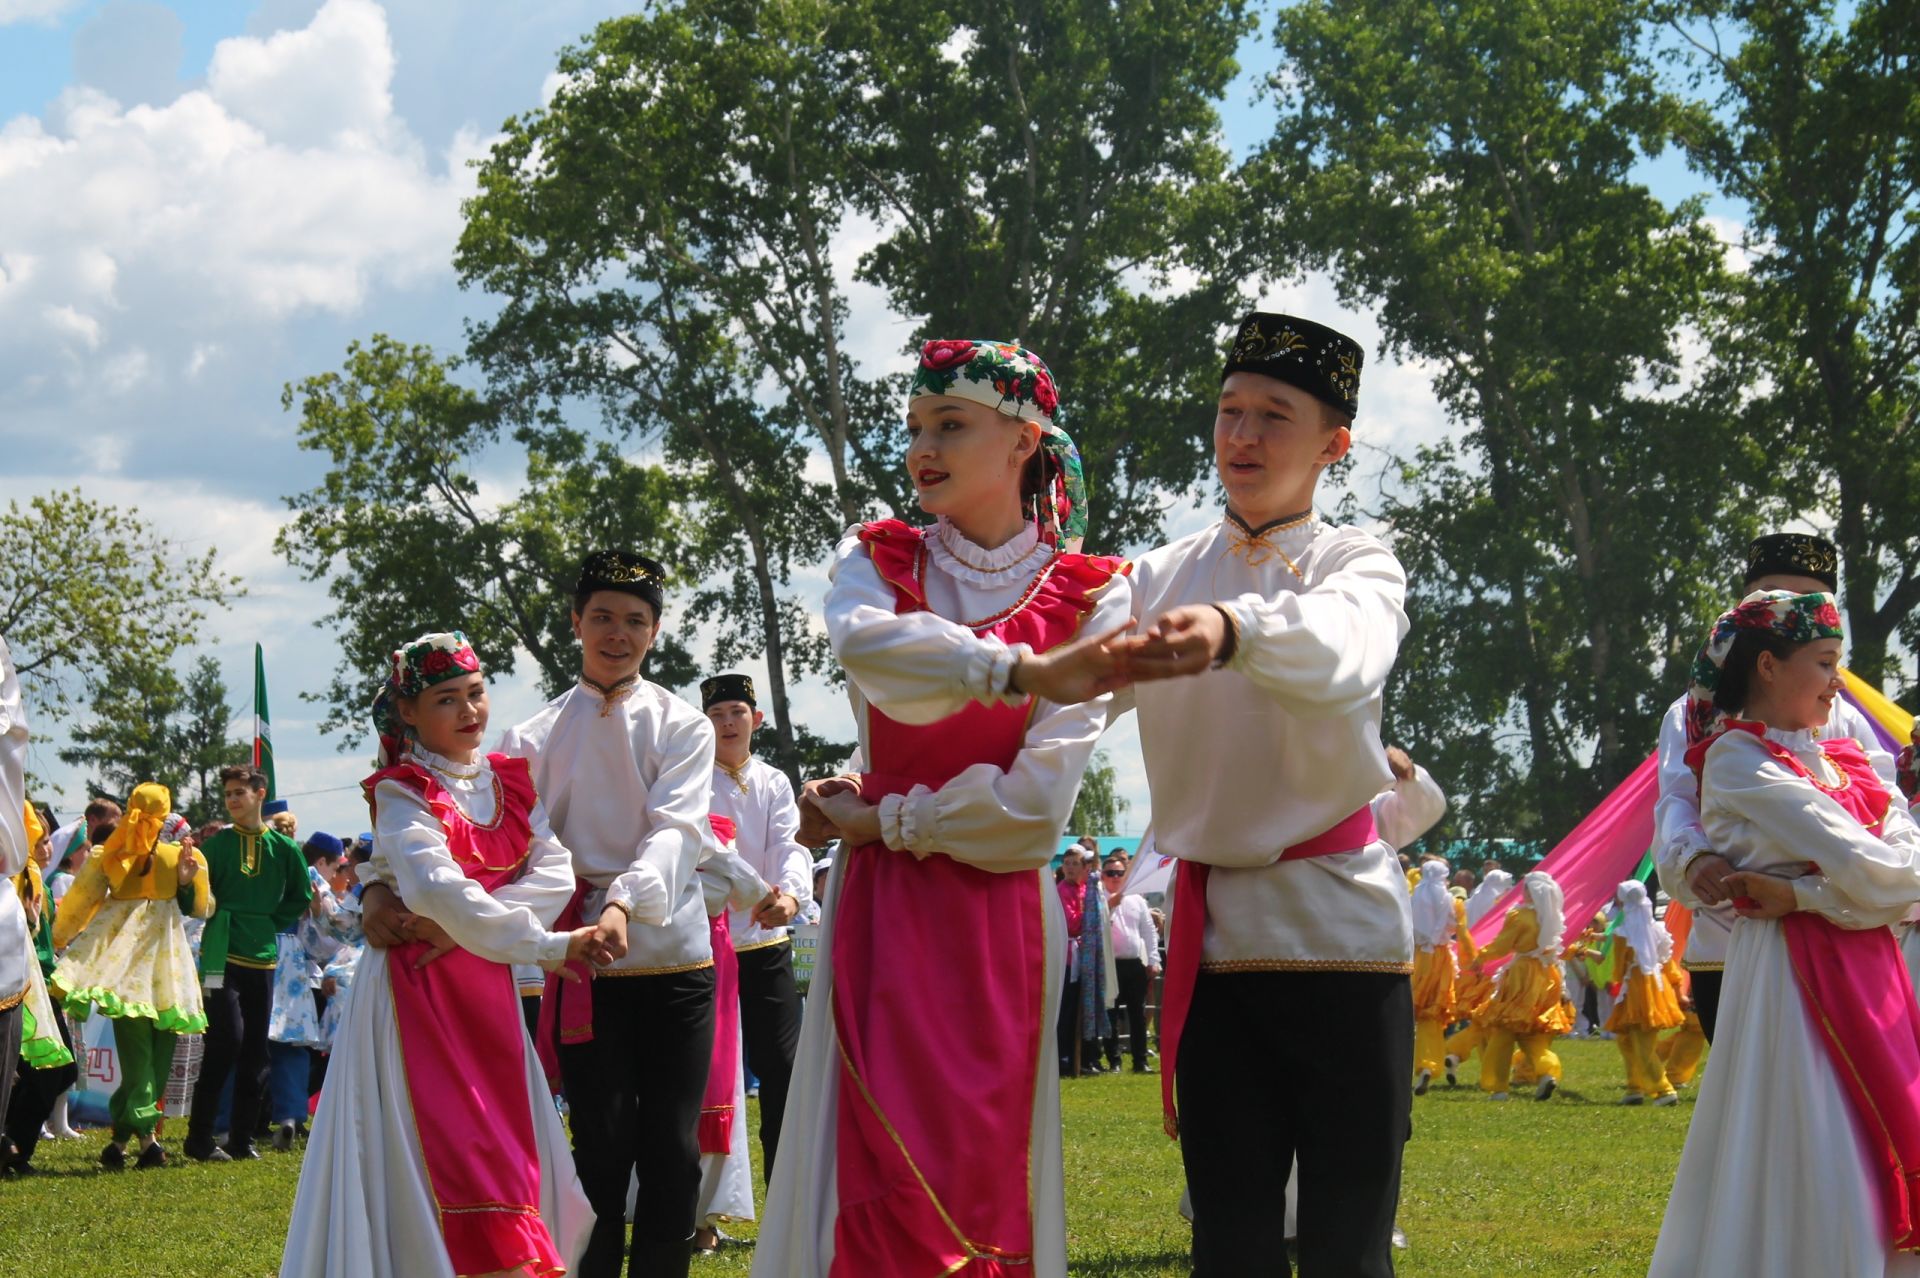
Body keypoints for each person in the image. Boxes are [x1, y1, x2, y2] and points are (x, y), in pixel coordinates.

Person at [756, 337, 1132, 1278]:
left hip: (998, 914)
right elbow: (879, 663)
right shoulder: (877, 561)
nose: (923, 447)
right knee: (876, 1171)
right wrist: (1016, 669)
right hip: (884, 910)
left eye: (951, 425)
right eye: (916, 426)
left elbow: (1036, 811)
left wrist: (883, 819)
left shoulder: (1096, 594)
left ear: (1022, 440)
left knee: (980, 1169)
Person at [281, 630, 597, 1278]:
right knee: (438, 1149)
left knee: (504, 1142)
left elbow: (555, 872)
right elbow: (432, 883)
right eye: (447, 699)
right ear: (409, 713)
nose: (469, 711)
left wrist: (466, 931)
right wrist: (541, 943)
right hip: (415, 992)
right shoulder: (403, 791)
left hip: (484, 984)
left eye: (476, 694)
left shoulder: (510, 781)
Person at [1650, 590, 1920, 1278]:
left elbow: (1901, 872)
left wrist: (1803, 893)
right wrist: (1861, 889)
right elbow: (1880, 867)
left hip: (1866, 967)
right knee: (1816, 1137)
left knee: (1867, 1131)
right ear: (1768, 666)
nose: (1839, 680)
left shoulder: (1846, 753)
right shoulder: (1739, 761)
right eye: (1826, 661)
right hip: (1794, 977)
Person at [488, 550, 716, 1278]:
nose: (617, 634)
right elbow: (530, 837)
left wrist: (624, 899)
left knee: (673, 1147)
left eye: (635, 621)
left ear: (656, 632)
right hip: (585, 958)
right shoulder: (530, 738)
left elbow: (678, 830)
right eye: (603, 618)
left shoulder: (684, 726)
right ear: (576, 623)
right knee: (600, 1144)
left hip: (674, 960)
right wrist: (584, 907)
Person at [1652, 533, 1908, 1042]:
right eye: (1770, 595)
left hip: (1842, 942)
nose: (1787, 613)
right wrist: (1695, 859)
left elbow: (1886, 822)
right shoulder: (1697, 717)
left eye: (1805, 601)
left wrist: (1807, 894)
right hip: (1731, 941)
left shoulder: (1847, 722)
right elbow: (1678, 801)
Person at [49, 783, 212, 1167]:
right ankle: (146, 1140)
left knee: (148, 1058)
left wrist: (60, 938)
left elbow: (79, 903)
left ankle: (123, 1140)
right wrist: (187, 881)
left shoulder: (117, 855)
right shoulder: (135, 855)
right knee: (149, 1058)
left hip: (140, 967)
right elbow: (203, 907)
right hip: (155, 967)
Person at [701, 672, 811, 1183]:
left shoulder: (773, 781)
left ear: (756, 719)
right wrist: (757, 894)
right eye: (717, 714)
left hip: (767, 943)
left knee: (784, 1071)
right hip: (706, 946)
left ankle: (785, 1195)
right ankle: (702, 1205)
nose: (727, 723)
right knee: (706, 1074)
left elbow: (790, 844)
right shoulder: (692, 780)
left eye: (736, 713)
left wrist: (789, 895)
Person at [186, 764, 313, 1162]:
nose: (233, 800)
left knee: (257, 1050)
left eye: (239, 792)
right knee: (227, 1041)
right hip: (220, 951)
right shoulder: (219, 846)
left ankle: (241, 1140)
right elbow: (196, 900)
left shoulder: (286, 848)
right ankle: (199, 1138)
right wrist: (187, 880)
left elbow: (299, 895)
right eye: (228, 794)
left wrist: (266, 923)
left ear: (260, 793)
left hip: (263, 956)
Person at [686, 813, 772, 1253]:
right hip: (645, 970)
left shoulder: (717, 828)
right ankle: (659, 1212)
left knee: (716, 1092)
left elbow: (731, 892)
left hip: (711, 971)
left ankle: (704, 1220)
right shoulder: (631, 821)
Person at [1467, 870, 1570, 1101]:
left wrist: (1480, 957)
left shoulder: (1519, 916)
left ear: (1531, 892)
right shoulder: (1552, 916)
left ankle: (1498, 1087)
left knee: (1503, 1031)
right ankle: (1546, 1071)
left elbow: (1502, 946)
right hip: (1546, 976)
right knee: (1531, 1032)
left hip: (1521, 975)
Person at [1605, 879, 1685, 1106]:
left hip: (1638, 990)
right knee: (1627, 1041)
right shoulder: (1658, 929)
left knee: (1642, 1045)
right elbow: (1668, 962)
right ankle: (1635, 1087)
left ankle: (1663, 1090)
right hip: (1657, 987)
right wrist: (1678, 990)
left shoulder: (1622, 933)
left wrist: (1616, 981)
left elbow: (1619, 969)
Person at [1410, 855, 1477, 1096]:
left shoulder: (1414, 896)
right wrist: (1473, 959)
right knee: (1433, 1015)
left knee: (1417, 1013)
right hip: (1441, 959)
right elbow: (1461, 932)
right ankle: (1428, 1064)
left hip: (1417, 957)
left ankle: (1424, 1063)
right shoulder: (1452, 901)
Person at [1057, 844, 1115, 1076]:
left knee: (1085, 1008)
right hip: (1071, 957)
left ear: (1084, 867)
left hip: (1087, 955)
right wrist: (1090, 915)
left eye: (1075, 864)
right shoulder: (1062, 890)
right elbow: (1072, 923)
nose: (1070, 869)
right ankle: (1066, 1057)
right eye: (1067, 863)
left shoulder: (1086, 889)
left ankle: (1086, 1056)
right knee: (1068, 1009)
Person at [1104, 852, 1161, 1073]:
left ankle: (1140, 1060)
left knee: (1138, 1015)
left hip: (1134, 963)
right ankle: (1114, 1061)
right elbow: (1096, 925)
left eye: (1120, 873)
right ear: (1103, 875)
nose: (1116, 877)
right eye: (1111, 873)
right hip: (1111, 965)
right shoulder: (1100, 898)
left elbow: (1149, 932)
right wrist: (1110, 905)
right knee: (1111, 1015)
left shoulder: (1137, 900)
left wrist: (1154, 960)